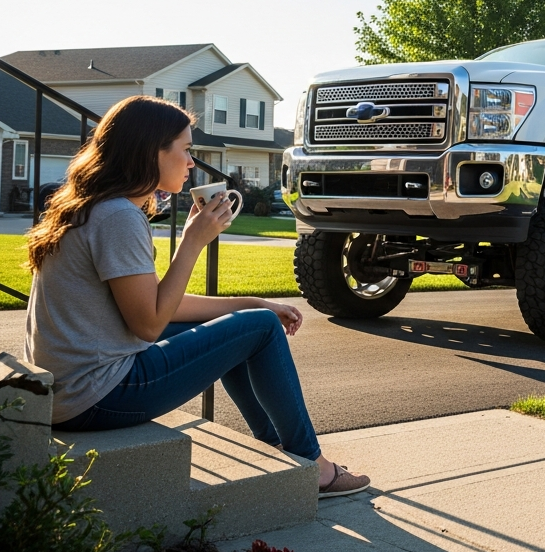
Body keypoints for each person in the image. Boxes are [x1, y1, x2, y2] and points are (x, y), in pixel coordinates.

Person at [23, 96, 369, 497]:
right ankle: (314, 466)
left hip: (72, 391)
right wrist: (192, 243)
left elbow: (158, 305)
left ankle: (277, 445)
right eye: (185, 150)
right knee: (258, 330)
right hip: (97, 396)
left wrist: (254, 304)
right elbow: (149, 324)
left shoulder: (96, 207)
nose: (191, 162)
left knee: (252, 325)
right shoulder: (117, 217)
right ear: (151, 151)